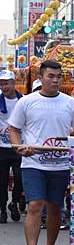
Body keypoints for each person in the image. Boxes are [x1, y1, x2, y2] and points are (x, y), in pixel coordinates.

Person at [8, 60, 74, 245]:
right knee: (34, 206)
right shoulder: (26, 102)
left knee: (55, 208)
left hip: (60, 165)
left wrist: (71, 144)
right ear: (41, 78)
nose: (55, 80)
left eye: (59, 76)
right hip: (33, 163)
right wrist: (18, 147)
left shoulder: (70, 103)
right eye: (51, 76)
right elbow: (13, 129)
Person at [0, 70, 24, 223]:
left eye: (7, 83)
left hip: (19, 146)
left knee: (20, 177)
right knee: (2, 181)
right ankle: (2, 209)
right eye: (1, 84)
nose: (4, 86)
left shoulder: (23, 100)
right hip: (1, 147)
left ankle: (13, 202)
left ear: (14, 83)